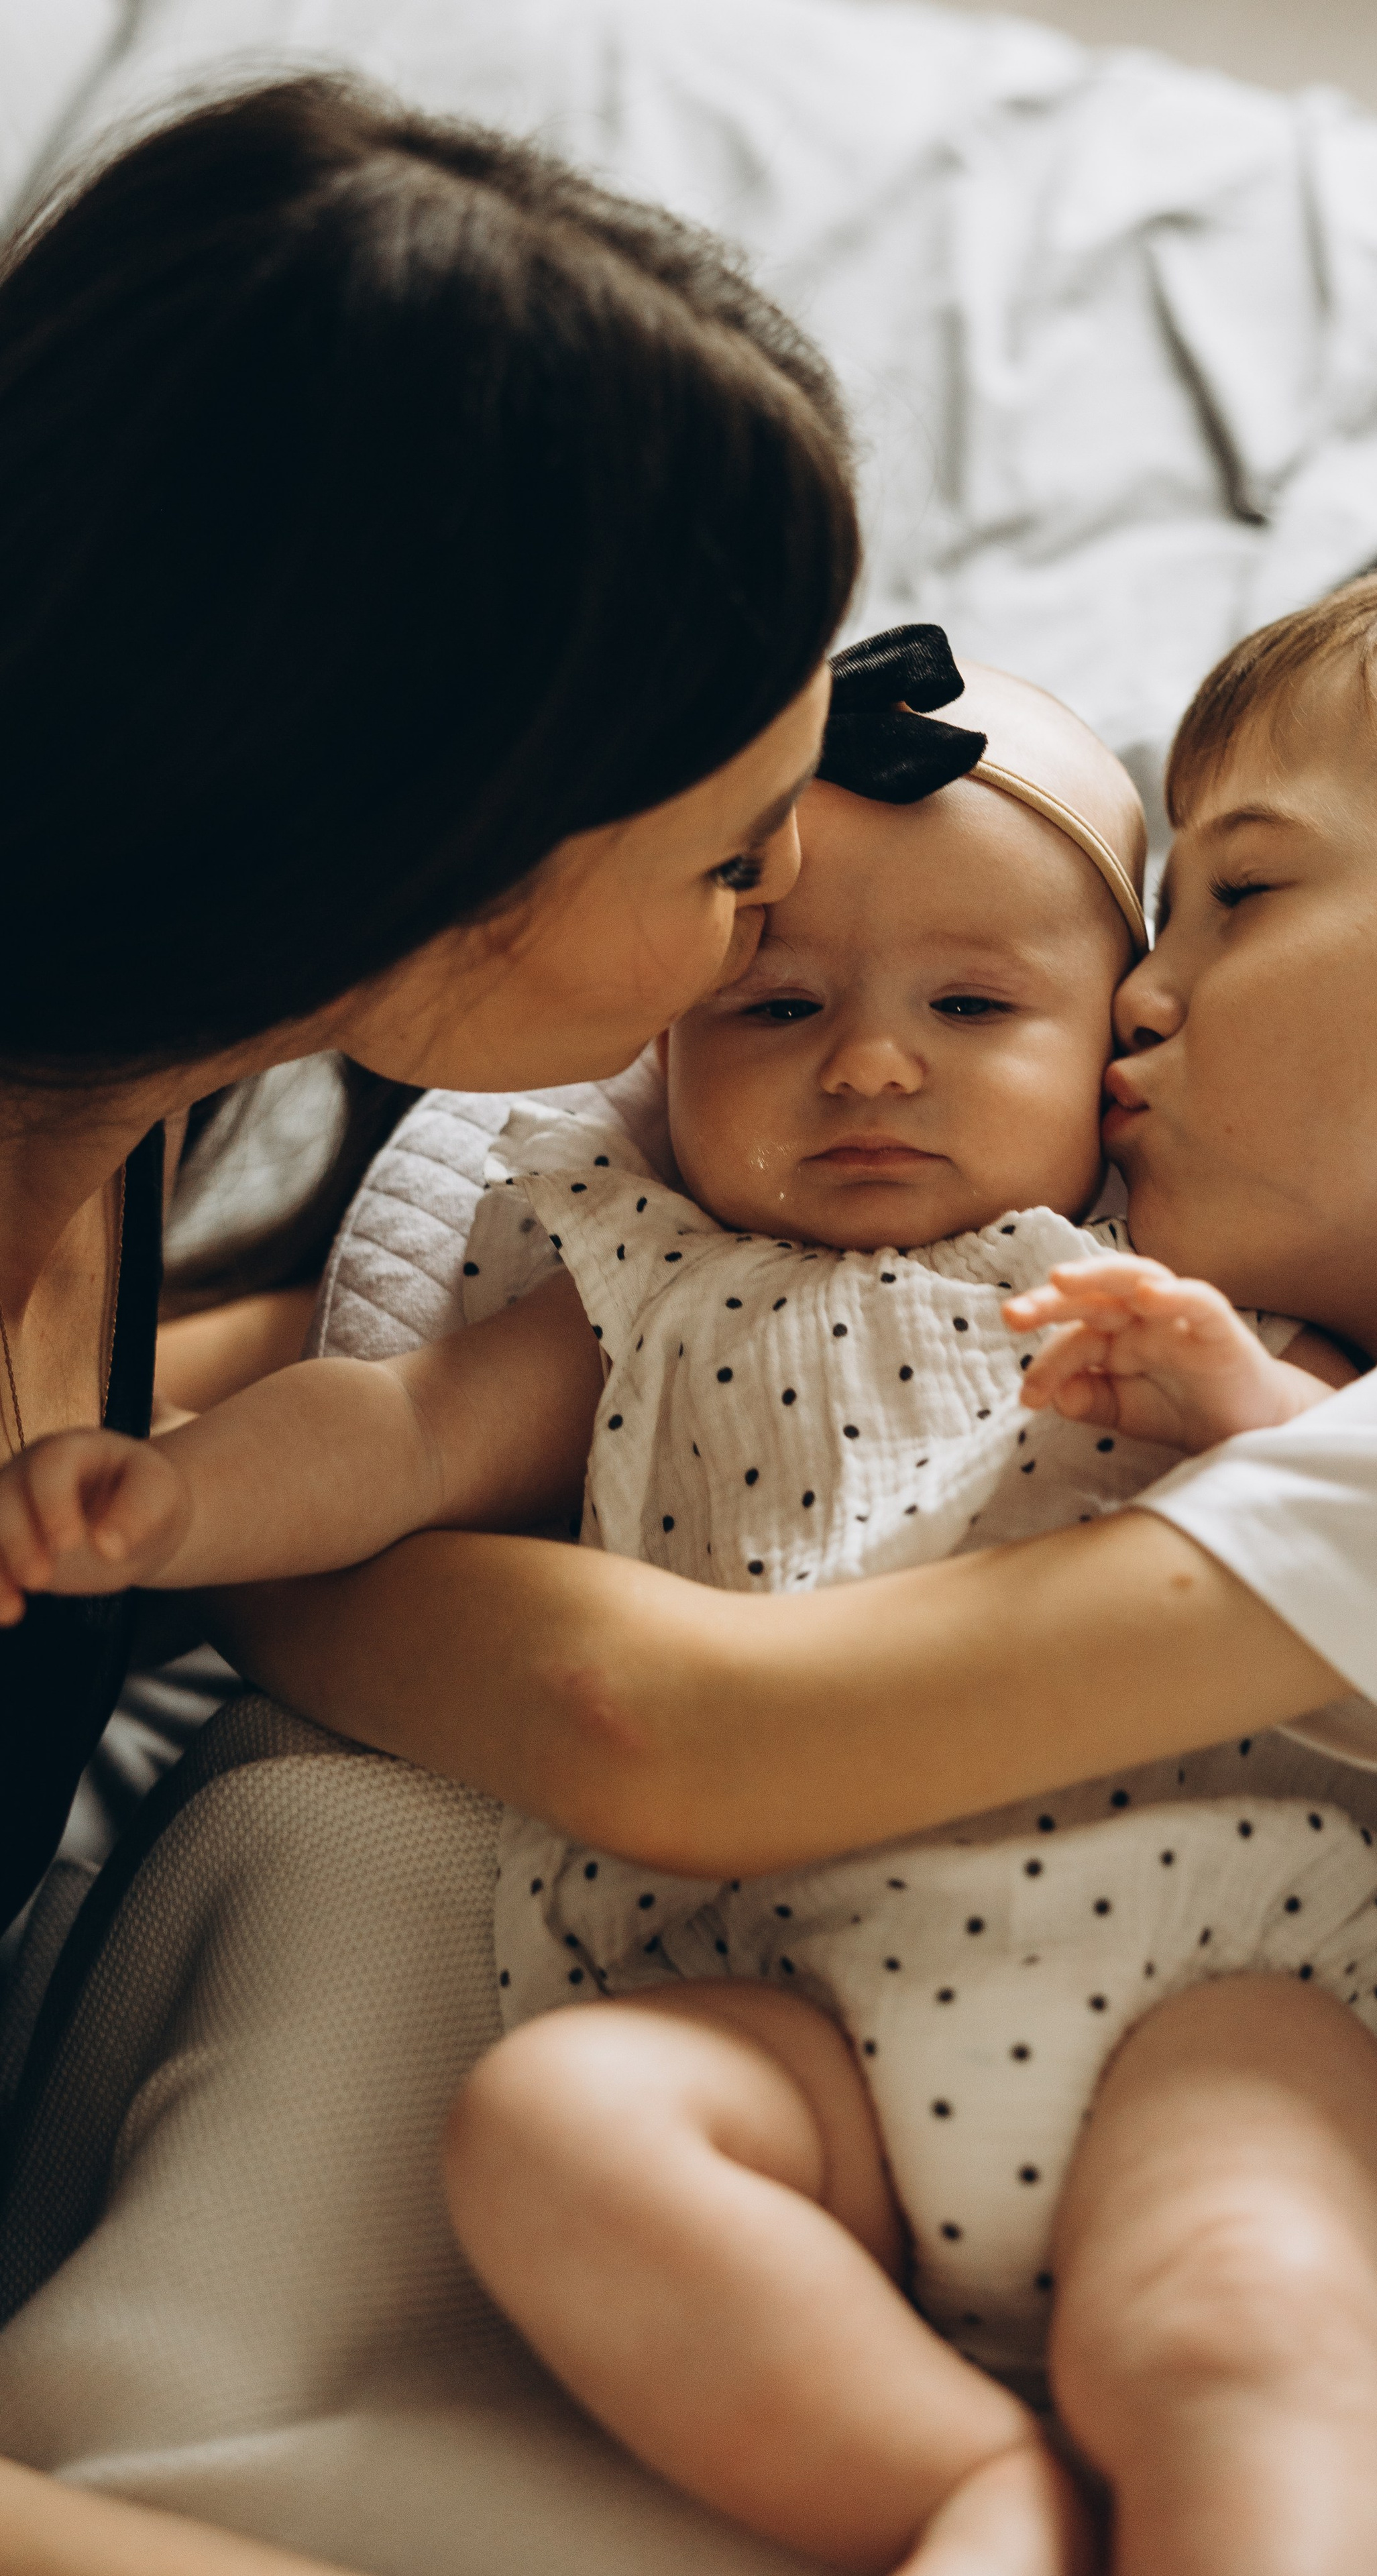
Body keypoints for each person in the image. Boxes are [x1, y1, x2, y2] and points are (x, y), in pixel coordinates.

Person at [0, 640, 1377, 2576]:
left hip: (1203, 1972)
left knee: (1243, 2327)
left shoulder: (1168, 1266)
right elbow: (405, 1426)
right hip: (783, 2001)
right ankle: (953, 2478)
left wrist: (1241, 1401)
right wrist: (179, 1486)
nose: (870, 1063)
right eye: (774, 1005)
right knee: (554, 2125)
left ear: (1118, 1042)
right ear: (663, 1054)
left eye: (972, 1002)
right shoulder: (631, 1278)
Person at [0, 63, 858, 2576]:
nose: (784, 902)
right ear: (425, 840)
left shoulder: (120, 1087)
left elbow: (219, 1411)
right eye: (729, 860)